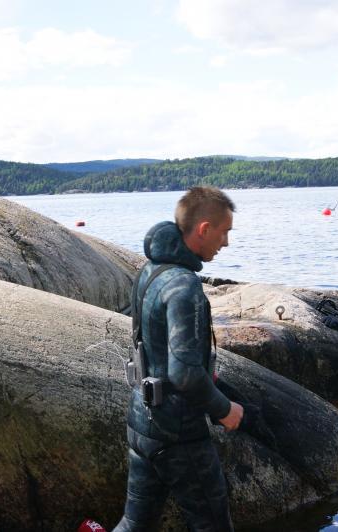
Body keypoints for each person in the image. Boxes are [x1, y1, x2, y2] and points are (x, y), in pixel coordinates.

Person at [114, 187, 243, 532]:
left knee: (135, 524)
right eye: (224, 232)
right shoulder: (184, 287)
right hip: (179, 432)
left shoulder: (150, 272)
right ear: (204, 229)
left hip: (142, 420)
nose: (226, 242)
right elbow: (184, 372)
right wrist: (224, 410)